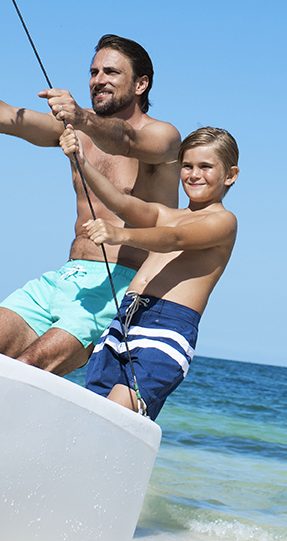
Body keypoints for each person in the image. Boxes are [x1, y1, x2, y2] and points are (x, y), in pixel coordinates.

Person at [0, 35, 181, 373]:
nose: (98, 80)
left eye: (111, 72)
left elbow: (127, 141)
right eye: (93, 72)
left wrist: (82, 119)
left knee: (27, 369)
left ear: (140, 84)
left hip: (121, 282)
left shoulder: (164, 136)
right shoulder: (78, 126)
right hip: (66, 276)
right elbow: (4, 117)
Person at [60, 124, 238, 419]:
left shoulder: (224, 222)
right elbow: (120, 202)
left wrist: (121, 236)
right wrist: (81, 161)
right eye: (188, 166)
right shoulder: (167, 215)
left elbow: (174, 240)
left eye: (205, 167)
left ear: (230, 175)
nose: (194, 174)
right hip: (125, 319)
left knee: (111, 414)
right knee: (91, 415)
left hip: (167, 326)